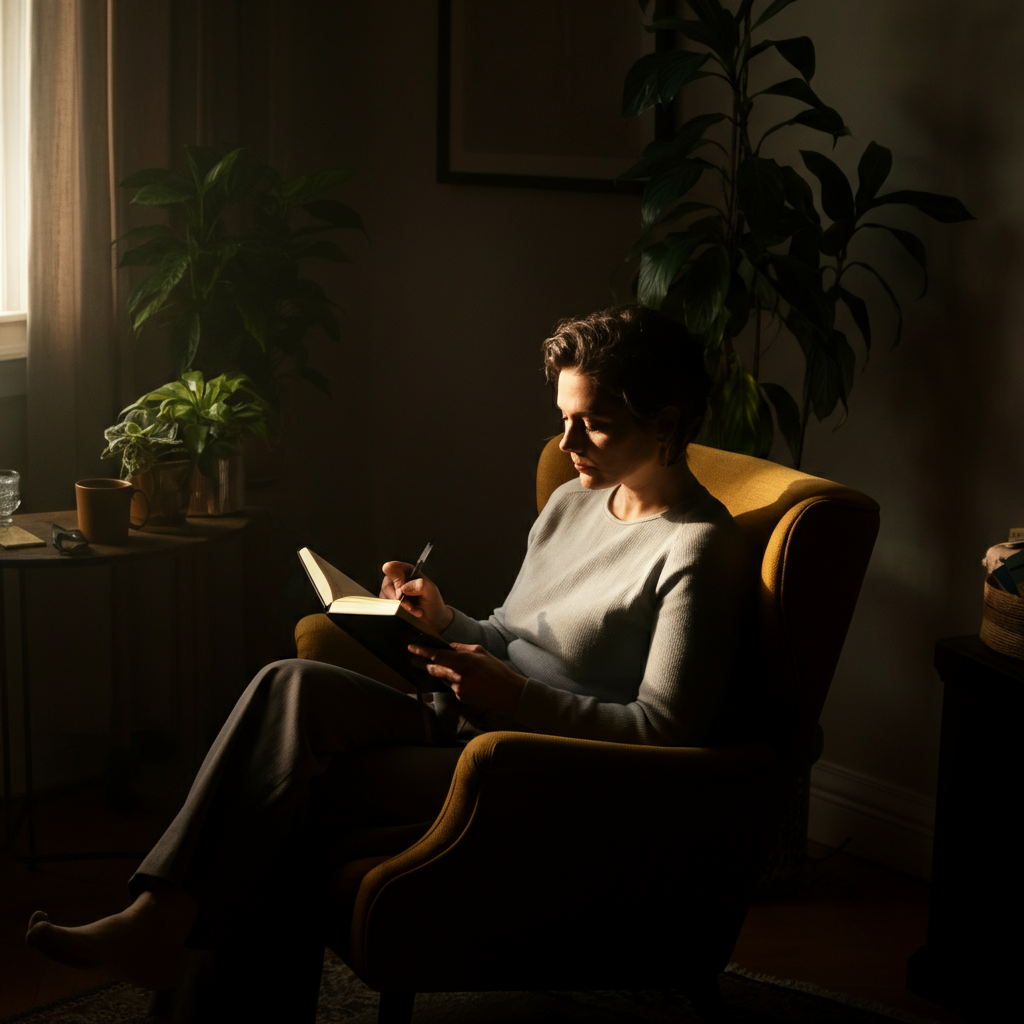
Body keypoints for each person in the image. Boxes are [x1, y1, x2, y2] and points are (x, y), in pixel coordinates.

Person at [24, 303, 754, 1010]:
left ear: (664, 424)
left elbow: (666, 733)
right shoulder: (574, 501)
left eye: (592, 425)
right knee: (292, 683)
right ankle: (156, 917)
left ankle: (159, 925)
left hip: (535, 767)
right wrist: (444, 617)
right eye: (563, 418)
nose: (568, 444)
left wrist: (516, 700)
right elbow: (509, 631)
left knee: (282, 814)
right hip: (466, 718)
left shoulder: (698, 548)